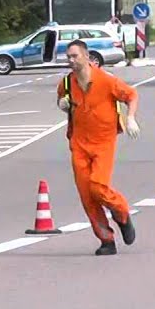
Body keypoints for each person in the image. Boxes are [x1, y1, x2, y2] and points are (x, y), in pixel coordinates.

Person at [56, 39, 140, 255]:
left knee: (98, 187)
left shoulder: (105, 80)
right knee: (87, 196)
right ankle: (106, 240)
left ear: (86, 56)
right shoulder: (67, 83)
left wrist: (131, 118)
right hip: (79, 144)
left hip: (103, 142)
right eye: (68, 57)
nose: (71, 60)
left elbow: (131, 95)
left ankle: (122, 213)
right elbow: (62, 100)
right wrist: (62, 104)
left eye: (75, 56)